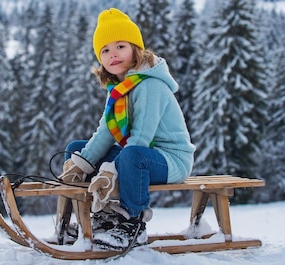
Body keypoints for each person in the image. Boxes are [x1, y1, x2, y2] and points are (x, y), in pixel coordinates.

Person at [57, 8, 196, 250]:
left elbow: (142, 138)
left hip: (169, 160)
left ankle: (133, 221)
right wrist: (81, 164)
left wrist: (111, 169)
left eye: (120, 46)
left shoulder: (150, 85)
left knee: (131, 156)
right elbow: (106, 132)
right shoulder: (119, 90)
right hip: (137, 155)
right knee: (77, 150)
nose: (113, 54)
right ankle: (96, 217)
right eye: (105, 50)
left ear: (136, 48)